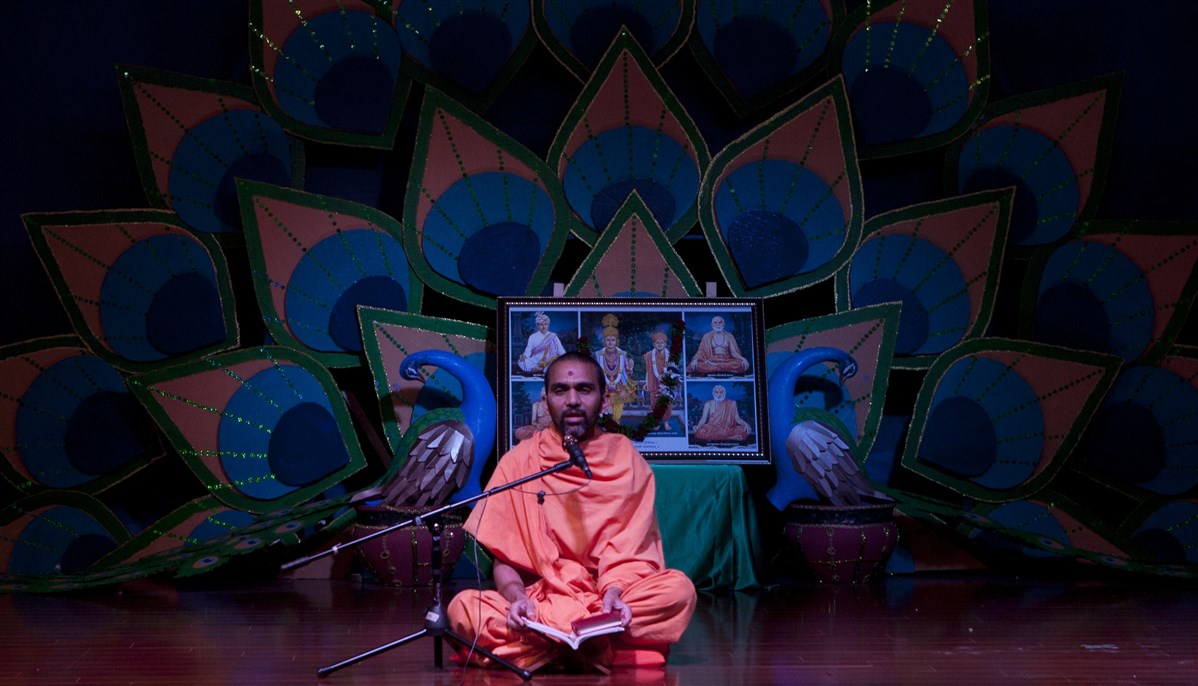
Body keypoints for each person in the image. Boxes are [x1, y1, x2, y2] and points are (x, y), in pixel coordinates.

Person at [446, 351, 697, 672]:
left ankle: (552, 645)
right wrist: (517, 598)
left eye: (584, 389)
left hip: (608, 599)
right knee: (463, 608)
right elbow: (505, 561)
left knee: (678, 591)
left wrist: (615, 593)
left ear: (604, 399)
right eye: (561, 390)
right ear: (546, 400)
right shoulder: (520, 462)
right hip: (542, 600)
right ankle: (591, 643)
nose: (573, 400)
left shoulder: (627, 460)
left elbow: (632, 553)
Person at [593, 314, 637, 422]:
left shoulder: (622, 354)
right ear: (604, 341)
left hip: (620, 385)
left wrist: (630, 369)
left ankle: (616, 423)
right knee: (605, 408)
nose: (610, 342)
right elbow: (595, 370)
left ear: (617, 341)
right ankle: (608, 425)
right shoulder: (598, 355)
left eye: (613, 340)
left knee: (618, 410)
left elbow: (626, 370)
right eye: (608, 340)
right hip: (604, 385)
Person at [642, 331, 675, 430]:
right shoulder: (649, 356)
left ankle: (666, 422)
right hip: (654, 383)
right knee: (655, 403)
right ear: (654, 344)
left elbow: (673, 371)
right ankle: (656, 422)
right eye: (657, 343)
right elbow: (648, 371)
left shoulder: (670, 356)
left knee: (667, 404)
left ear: (665, 344)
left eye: (661, 342)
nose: (659, 344)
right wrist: (647, 383)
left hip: (666, 384)